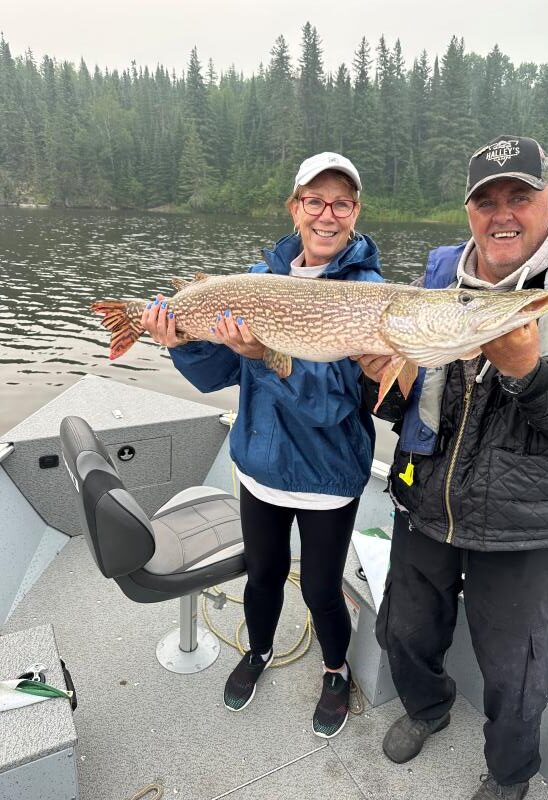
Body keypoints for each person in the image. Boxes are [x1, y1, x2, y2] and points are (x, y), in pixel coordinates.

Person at [358, 135, 548, 799]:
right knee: (403, 629)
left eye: (519, 196)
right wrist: (385, 379)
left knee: (517, 670)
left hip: (526, 523)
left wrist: (530, 372)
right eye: (486, 200)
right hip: (426, 498)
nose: (503, 213)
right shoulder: (436, 283)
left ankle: (511, 772)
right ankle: (429, 706)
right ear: (468, 212)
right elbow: (398, 406)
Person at [142, 152, 384, 739]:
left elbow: (333, 405)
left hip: (327, 478)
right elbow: (212, 376)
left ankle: (334, 670)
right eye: (315, 201)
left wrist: (267, 360)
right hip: (259, 468)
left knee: (324, 588)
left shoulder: (368, 293)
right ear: (295, 208)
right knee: (263, 574)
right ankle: (257, 653)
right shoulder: (256, 278)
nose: (327, 215)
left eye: (341, 203)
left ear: (355, 213)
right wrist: (181, 340)